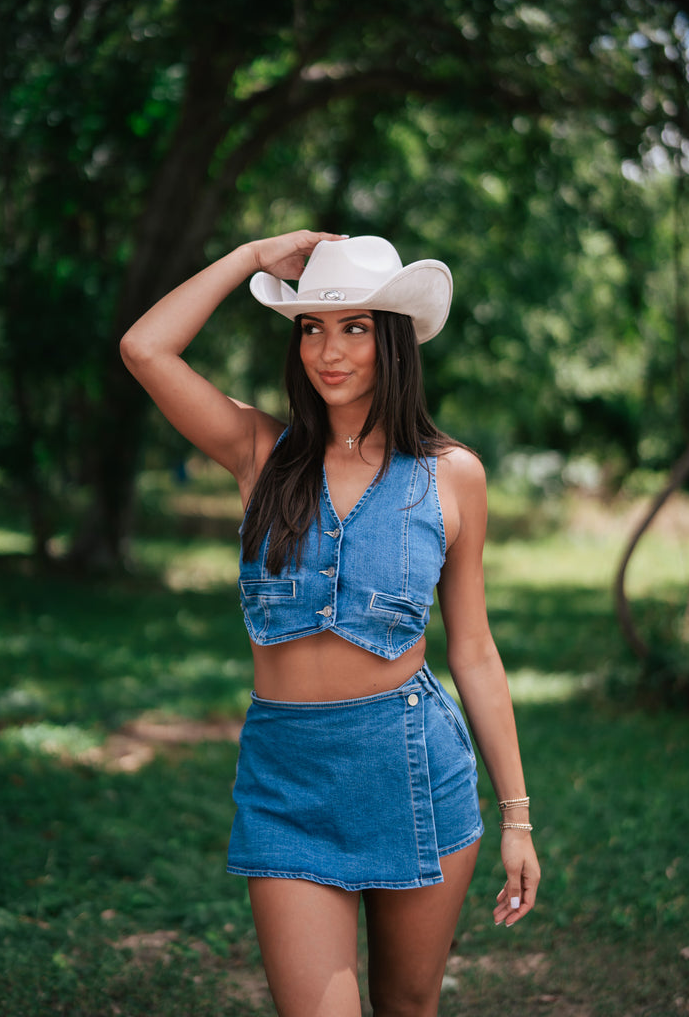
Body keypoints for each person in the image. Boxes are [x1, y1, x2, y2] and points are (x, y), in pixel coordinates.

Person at [120, 229, 540, 1017]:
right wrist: (251, 258)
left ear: (394, 341)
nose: (327, 350)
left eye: (352, 327)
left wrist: (517, 819)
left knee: (409, 1007)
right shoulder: (259, 453)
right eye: (310, 326)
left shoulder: (453, 477)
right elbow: (146, 348)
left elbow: (475, 652)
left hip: (413, 769)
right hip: (288, 782)